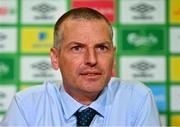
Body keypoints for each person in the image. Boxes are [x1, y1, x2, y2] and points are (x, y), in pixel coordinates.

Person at [0, 7, 160, 126]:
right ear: (55, 58)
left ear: (113, 56)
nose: (91, 59)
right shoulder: (27, 106)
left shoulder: (137, 99)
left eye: (101, 48)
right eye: (77, 48)